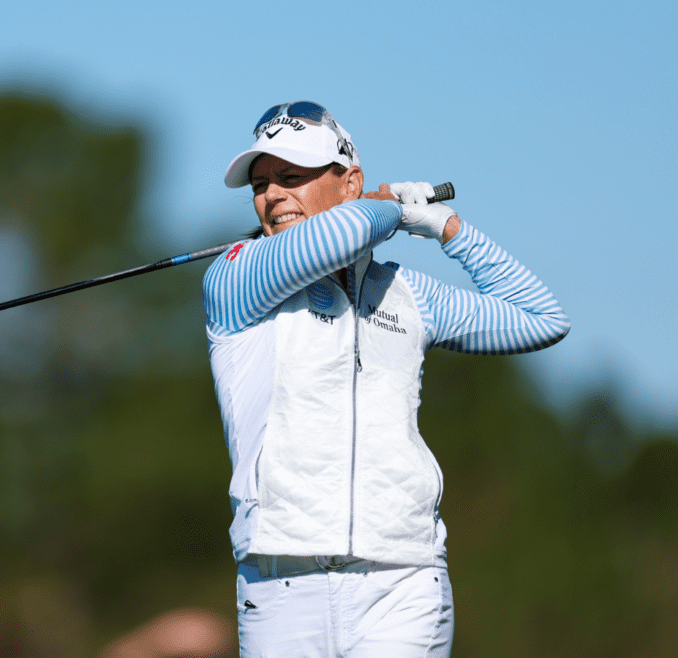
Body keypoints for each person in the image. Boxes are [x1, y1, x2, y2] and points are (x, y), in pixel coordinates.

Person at [202, 101, 570, 657]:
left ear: (349, 181)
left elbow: (541, 318)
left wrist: (449, 229)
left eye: (292, 177)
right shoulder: (237, 277)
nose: (272, 195)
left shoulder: (409, 295)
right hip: (280, 584)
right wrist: (390, 208)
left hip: (403, 578)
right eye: (260, 183)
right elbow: (339, 237)